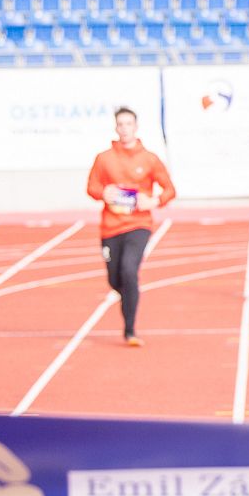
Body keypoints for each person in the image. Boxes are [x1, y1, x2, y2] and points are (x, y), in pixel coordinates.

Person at [85, 106, 175, 346]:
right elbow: (91, 187)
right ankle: (130, 298)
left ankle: (130, 330)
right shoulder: (104, 159)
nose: (125, 129)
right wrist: (103, 192)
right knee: (115, 280)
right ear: (116, 127)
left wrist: (153, 201)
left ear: (136, 127)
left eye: (129, 124)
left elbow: (169, 190)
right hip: (110, 227)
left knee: (129, 270)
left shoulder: (149, 159)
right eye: (121, 124)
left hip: (138, 225)